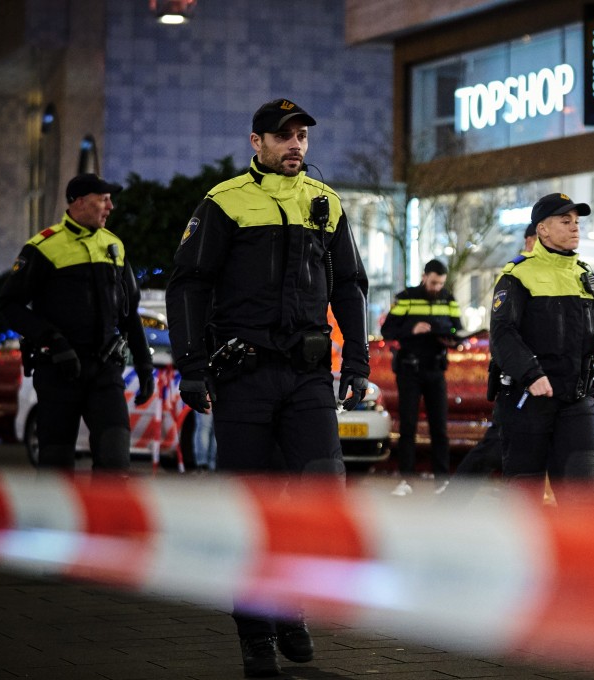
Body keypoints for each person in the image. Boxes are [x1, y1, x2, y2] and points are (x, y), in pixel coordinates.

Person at [166, 97, 370, 678]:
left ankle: (292, 607)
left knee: (317, 494)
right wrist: (191, 365)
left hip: (309, 377)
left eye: (302, 134)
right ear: (256, 142)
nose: (296, 145)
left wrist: (356, 363)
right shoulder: (223, 202)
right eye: (283, 136)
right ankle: (256, 629)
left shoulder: (325, 204)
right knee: (249, 509)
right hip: (245, 376)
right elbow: (188, 286)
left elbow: (350, 287)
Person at [0, 173, 154, 472]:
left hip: (105, 373)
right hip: (59, 372)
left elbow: (129, 312)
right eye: (104, 199)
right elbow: (8, 305)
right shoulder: (43, 247)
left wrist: (145, 367)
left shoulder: (115, 247)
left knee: (115, 461)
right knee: (55, 468)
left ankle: (105, 520)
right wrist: (52, 340)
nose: (111, 207)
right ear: (80, 202)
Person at [489, 193, 594, 508]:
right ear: (542, 230)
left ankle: (584, 559)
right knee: (525, 504)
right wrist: (532, 374)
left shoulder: (586, 276)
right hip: (529, 402)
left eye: (576, 221)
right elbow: (502, 334)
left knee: (587, 501)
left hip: (578, 402)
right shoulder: (517, 275)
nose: (575, 228)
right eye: (565, 221)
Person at [450, 223, 538, 483]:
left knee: (504, 448)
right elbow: (504, 332)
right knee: (496, 447)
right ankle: (454, 498)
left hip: (532, 379)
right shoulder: (516, 273)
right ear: (531, 240)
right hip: (516, 381)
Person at [381, 259, 463, 495]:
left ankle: (442, 481)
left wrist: (452, 339)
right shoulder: (406, 297)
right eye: (434, 282)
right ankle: (405, 479)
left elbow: (457, 328)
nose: (437, 287)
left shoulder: (448, 299)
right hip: (409, 370)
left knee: (440, 427)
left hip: (436, 369)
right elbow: (388, 330)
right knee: (408, 426)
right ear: (424, 276)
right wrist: (412, 329)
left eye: (441, 283)